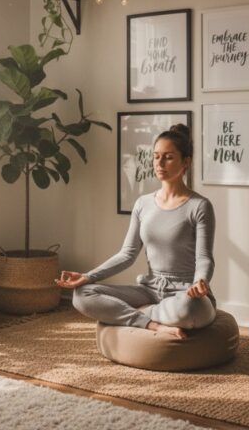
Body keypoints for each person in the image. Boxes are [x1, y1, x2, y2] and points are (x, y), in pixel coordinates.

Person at [55, 124, 216, 340]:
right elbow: (127, 254)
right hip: (150, 290)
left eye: (168, 157)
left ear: (186, 162)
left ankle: (136, 313)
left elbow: (204, 257)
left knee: (190, 310)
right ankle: (151, 323)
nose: (159, 163)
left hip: (186, 293)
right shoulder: (143, 204)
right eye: (156, 156)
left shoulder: (199, 206)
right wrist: (87, 276)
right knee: (82, 295)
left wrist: (200, 282)